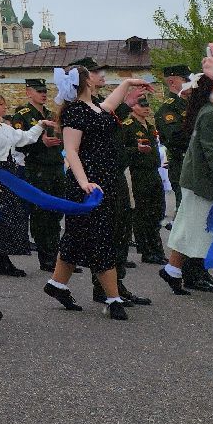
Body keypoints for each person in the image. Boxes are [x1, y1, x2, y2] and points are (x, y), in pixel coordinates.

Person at [43, 66, 152, 319]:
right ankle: (113, 299)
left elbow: (111, 104)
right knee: (101, 236)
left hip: (103, 181)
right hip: (89, 185)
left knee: (77, 234)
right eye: (94, 73)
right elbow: (71, 151)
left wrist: (129, 84)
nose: (99, 75)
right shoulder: (74, 112)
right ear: (85, 81)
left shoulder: (95, 107)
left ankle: (57, 285)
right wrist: (84, 183)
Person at [158, 71, 213, 296]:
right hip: (203, 183)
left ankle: (172, 270)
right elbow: (212, 150)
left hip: (198, 182)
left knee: (189, 228)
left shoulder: (211, 112)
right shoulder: (210, 114)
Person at [0, 93, 54, 278]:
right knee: (2, 215)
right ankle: (2, 257)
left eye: (4, 104)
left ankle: (0, 254)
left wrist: (40, 125)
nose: (4, 107)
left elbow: (25, 138)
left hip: (9, 170)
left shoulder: (6, 128)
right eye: (0, 104)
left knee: (12, 214)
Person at [8, 78, 65, 272]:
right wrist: (42, 144)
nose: (43, 94)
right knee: (42, 214)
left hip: (56, 166)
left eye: (45, 91)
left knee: (56, 212)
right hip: (37, 168)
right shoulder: (22, 115)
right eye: (39, 91)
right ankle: (46, 258)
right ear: (28, 92)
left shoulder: (50, 114)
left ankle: (57, 256)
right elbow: (18, 142)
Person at [121, 92, 167, 264]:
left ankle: (157, 249)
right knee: (142, 213)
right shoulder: (128, 126)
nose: (147, 108)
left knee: (156, 211)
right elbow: (122, 150)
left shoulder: (148, 125)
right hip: (137, 173)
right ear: (133, 107)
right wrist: (136, 150)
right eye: (142, 105)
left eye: (148, 105)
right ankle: (147, 251)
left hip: (153, 172)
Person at [156, 65, 192, 207]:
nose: (191, 82)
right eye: (186, 79)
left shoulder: (192, 104)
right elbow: (176, 138)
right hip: (182, 165)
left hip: (196, 164)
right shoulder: (168, 109)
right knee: (185, 209)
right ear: (172, 82)